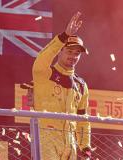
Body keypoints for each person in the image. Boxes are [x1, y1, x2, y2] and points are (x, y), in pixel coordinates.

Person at [32, 12, 92, 160]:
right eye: (69, 51)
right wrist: (64, 35)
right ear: (60, 51)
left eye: (77, 53)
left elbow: (82, 119)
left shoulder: (81, 85)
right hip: (45, 137)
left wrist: (85, 146)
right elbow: (42, 57)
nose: (73, 56)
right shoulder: (44, 73)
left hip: (70, 144)